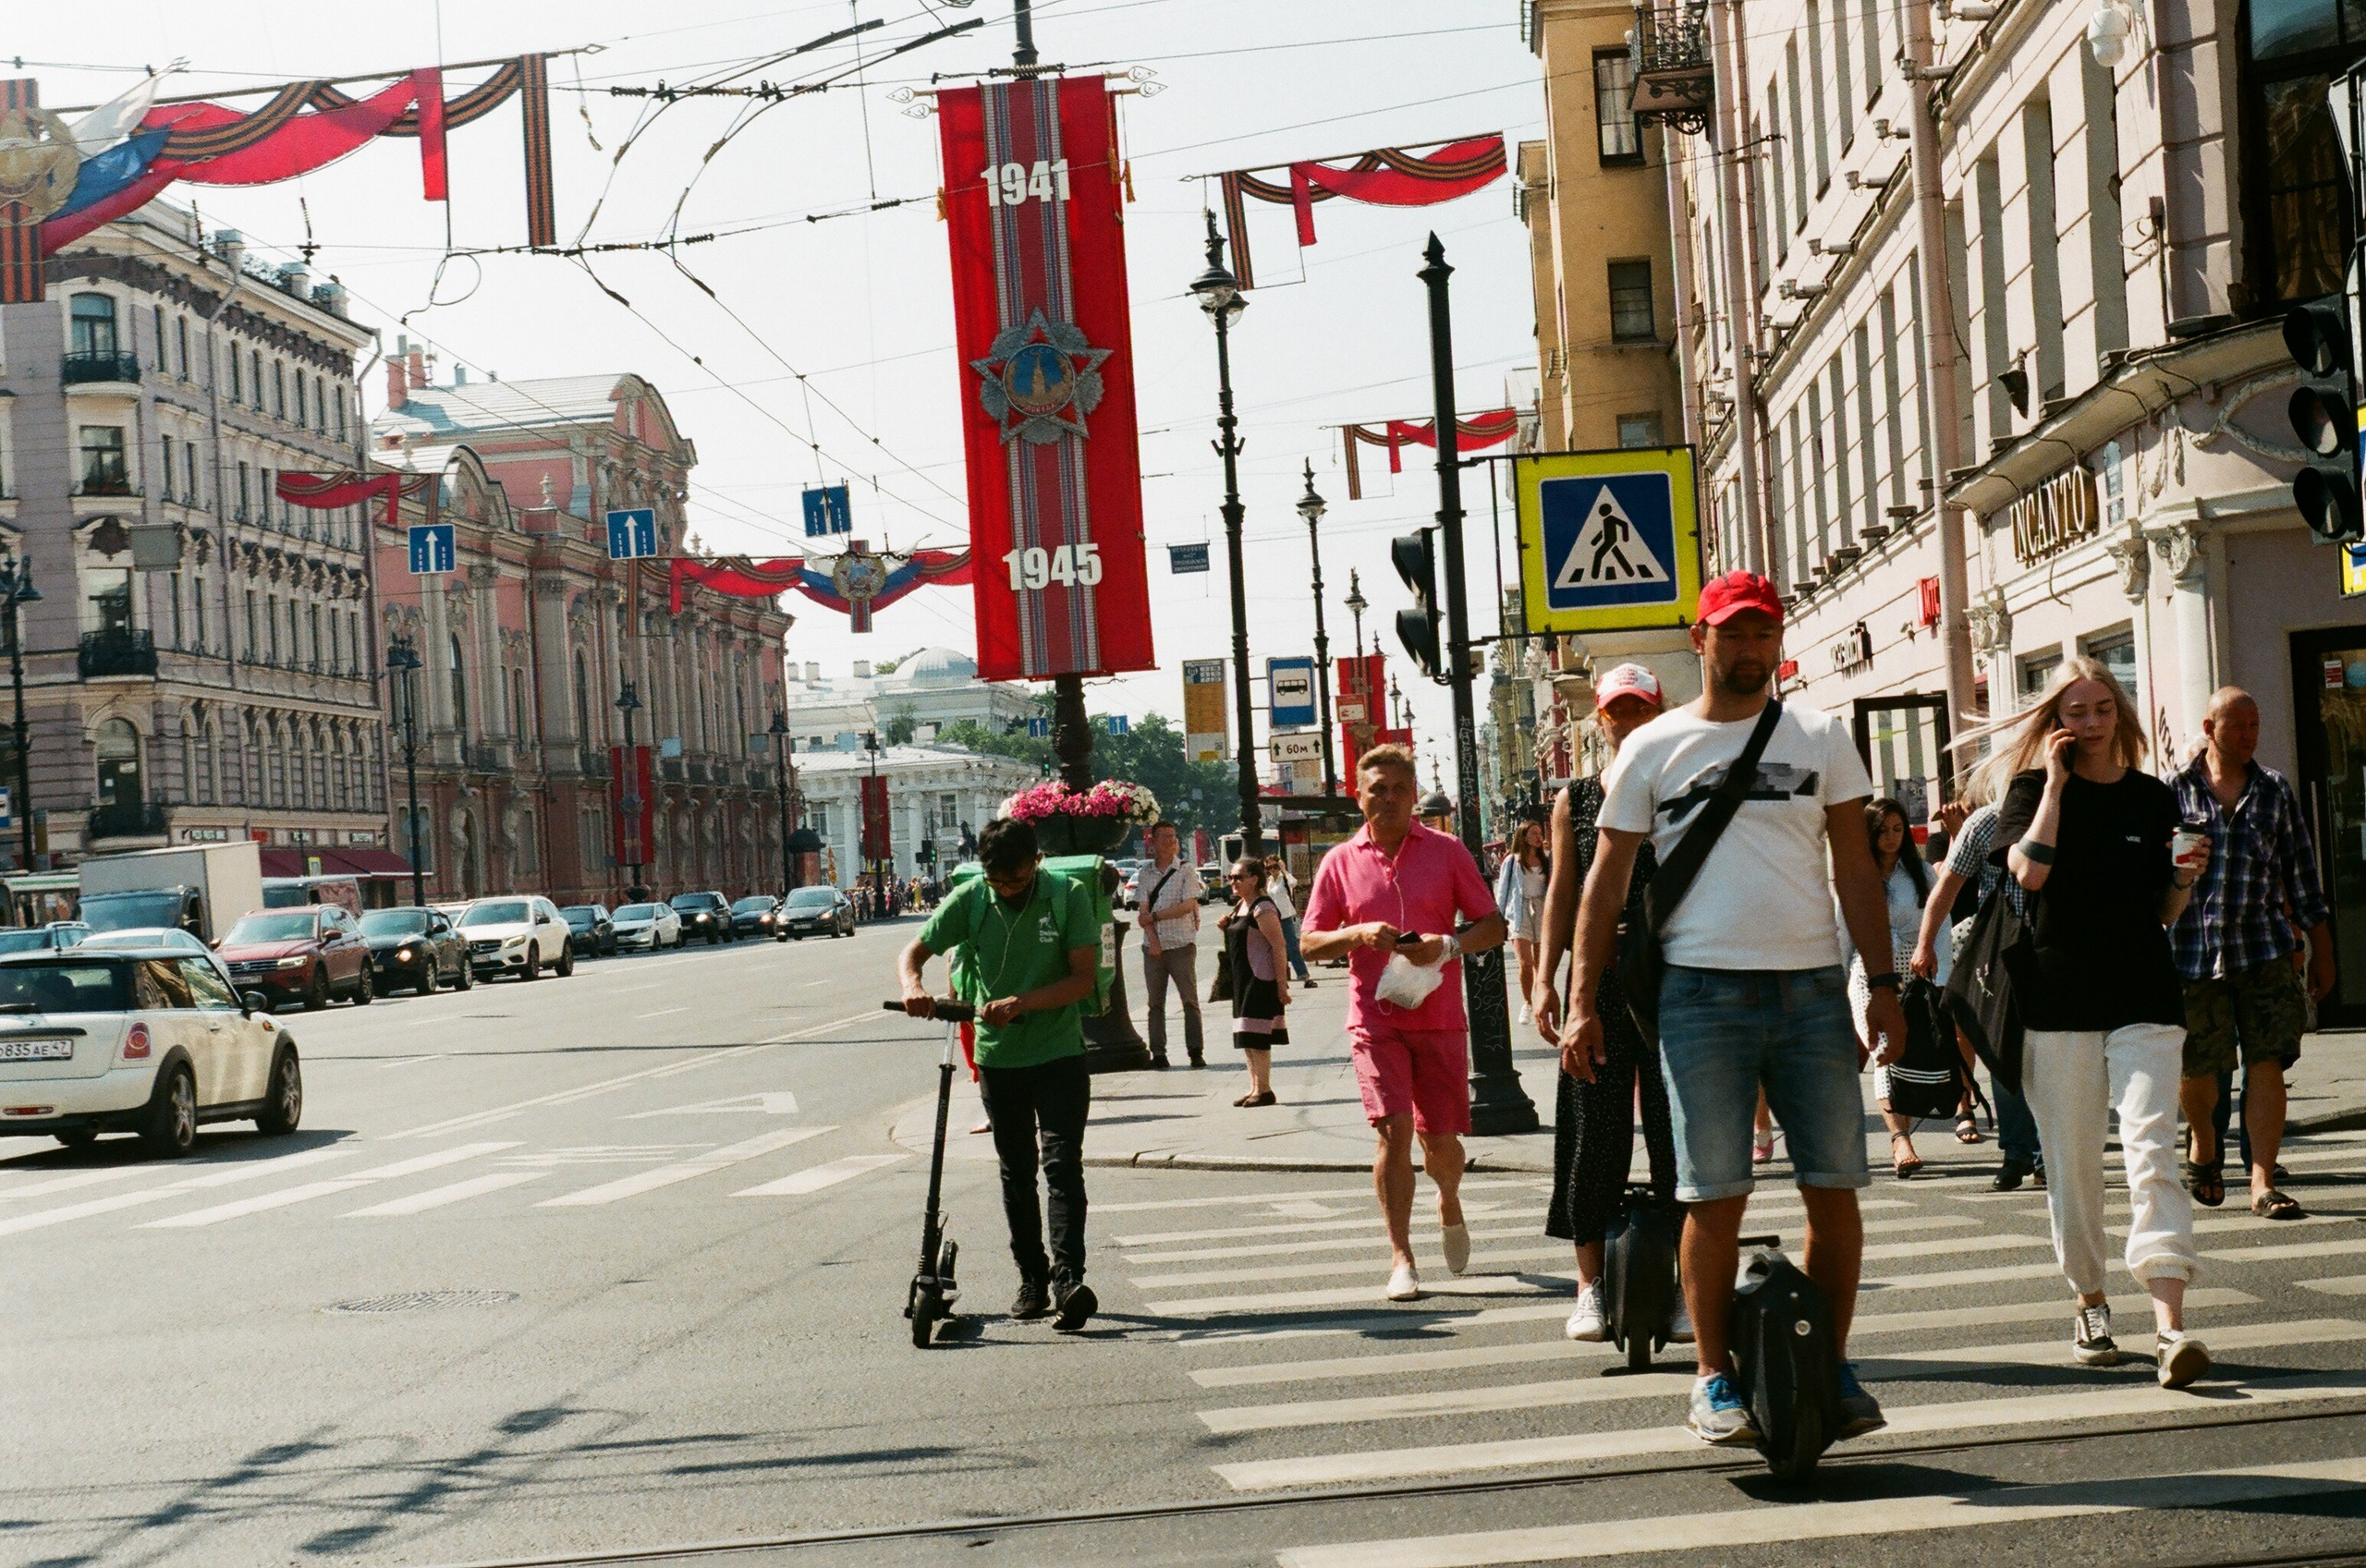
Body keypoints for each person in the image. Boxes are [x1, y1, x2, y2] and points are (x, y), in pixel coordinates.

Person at [1565, 570, 1896, 1447]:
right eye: (1733, 633)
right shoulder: (1653, 748)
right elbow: (1604, 885)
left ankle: (1828, 1362)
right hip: (1699, 995)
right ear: (1700, 637)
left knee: (1836, 1191)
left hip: (1813, 992)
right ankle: (1712, 1378)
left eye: (1763, 634)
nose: (1750, 649)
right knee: (1715, 1196)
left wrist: (1888, 984)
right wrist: (1576, 1001)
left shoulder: (1822, 736)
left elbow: (1857, 869)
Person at [1990, 657, 2211, 1387]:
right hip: (2058, 1001)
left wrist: (2183, 876)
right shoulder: (2029, 790)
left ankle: (2171, 1325)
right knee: (2075, 1165)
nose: (2090, 723)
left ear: (2120, 713)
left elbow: (2163, 911)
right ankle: (2089, 1298)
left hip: (2144, 993)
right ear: (2056, 721)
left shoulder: (2153, 798)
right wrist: (2054, 784)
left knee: (2152, 1148)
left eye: (2102, 709)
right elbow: (2029, 873)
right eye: (2076, 712)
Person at [1301, 744, 1506, 1302]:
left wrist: (1449, 944)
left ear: (1414, 795)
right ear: (1359, 797)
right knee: (1392, 1132)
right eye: (1377, 790)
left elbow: (1494, 926)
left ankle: (1449, 1197)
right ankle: (1401, 1257)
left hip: (1438, 1017)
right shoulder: (1339, 862)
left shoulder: (1446, 852)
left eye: (1398, 789)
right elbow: (1309, 942)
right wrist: (1356, 934)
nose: (1388, 799)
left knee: (1438, 1141)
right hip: (1374, 1018)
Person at [1531, 662, 1687, 1344]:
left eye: (1639, 710)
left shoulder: (1683, 791)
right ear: (1601, 719)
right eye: (1617, 712)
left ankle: (1684, 1285)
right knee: (1594, 1133)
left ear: (1661, 712)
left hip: (1674, 977)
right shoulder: (1576, 799)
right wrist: (1547, 980)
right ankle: (1590, 1284)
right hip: (1599, 982)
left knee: (1675, 1135)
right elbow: (1563, 896)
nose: (1628, 722)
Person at [897, 817, 1103, 1331]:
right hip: (999, 1058)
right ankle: (1031, 1278)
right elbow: (914, 951)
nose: (1007, 889)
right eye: (998, 882)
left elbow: (1081, 979)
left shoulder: (1066, 894)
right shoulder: (972, 899)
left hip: (1058, 1051)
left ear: (1035, 862)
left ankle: (1067, 1278)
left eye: (1015, 880)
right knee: (1016, 1171)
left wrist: (1021, 1002)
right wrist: (913, 985)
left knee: (1061, 1165)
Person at [2171, 686, 2335, 1219]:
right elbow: (2153, 881)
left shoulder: (2274, 791)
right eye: (2237, 725)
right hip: (2194, 952)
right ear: (2209, 727)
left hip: (2264, 947)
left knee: (2268, 1059)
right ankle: (2204, 1143)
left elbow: (2303, 876)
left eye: (2255, 725)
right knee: (2198, 1066)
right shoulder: (2175, 793)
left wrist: (2322, 948)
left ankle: (2262, 1180)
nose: (2248, 735)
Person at [1910, 788, 2047, 1192]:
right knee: (2002, 1050)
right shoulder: (1986, 821)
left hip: (2058, 949)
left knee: (2051, 1057)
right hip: (2002, 947)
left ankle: (2046, 1155)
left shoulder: (2072, 811)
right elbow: (1947, 885)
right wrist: (1924, 944)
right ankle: (2018, 1153)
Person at [1848, 797, 1956, 1180]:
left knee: (1908, 1050)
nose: (1891, 838)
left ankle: (1902, 1128)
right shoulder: (1856, 873)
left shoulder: (1920, 871)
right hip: (1870, 972)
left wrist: (1938, 971)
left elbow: (1940, 920)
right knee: (1884, 1051)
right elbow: (1844, 928)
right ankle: (1900, 1140)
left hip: (1915, 968)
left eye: (1898, 830)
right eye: (1883, 830)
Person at [1136, 820, 1206, 1069]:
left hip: (1181, 944)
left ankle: (1195, 1050)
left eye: (1173, 836)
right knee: (1155, 1003)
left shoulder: (1186, 870)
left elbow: (1187, 905)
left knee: (1190, 1000)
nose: (1170, 841)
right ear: (1152, 841)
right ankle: (1159, 1053)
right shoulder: (1145, 873)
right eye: (1164, 836)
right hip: (1153, 948)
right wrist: (1153, 941)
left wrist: (1156, 917)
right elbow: (1142, 912)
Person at [1221, 857, 1291, 1107]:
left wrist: (1281, 985)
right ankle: (1254, 1087)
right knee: (1247, 1035)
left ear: (1254, 878)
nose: (1233, 882)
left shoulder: (1263, 907)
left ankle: (1265, 1089)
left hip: (1261, 978)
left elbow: (1279, 945)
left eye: (1238, 877)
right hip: (1243, 978)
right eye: (1231, 877)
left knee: (1259, 1035)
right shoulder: (1241, 905)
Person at [1496, 819, 1551, 1027]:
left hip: (1542, 912)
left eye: (1540, 833)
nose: (1539, 837)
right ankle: (1527, 1002)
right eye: (1535, 833)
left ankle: (1540, 1006)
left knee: (1540, 964)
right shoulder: (1512, 861)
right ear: (1524, 837)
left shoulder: (1548, 860)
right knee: (1526, 963)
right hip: (1519, 912)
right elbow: (1503, 892)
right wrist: (1499, 920)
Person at [1263, 855, 1316, 986]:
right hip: (1273, 917)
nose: (1272, 870)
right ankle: (1279, 978)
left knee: (1292, 946)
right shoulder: (1268, 881)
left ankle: (1303, 975)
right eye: (1269, 867)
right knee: (1274, 947)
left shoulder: (1284, 879)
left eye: (1274, 866)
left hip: (1285, 916)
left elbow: (1294, 883)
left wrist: (1284, 870)